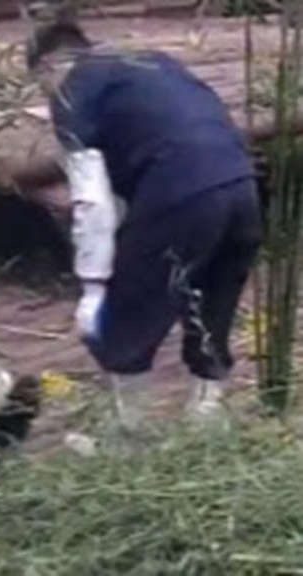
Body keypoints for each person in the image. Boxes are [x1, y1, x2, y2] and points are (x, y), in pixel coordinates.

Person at [26, 20, 261, 433]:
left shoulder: (71, 89)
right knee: (212, 307)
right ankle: (206, 423)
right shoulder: (153, 62)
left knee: (126, 314)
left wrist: (94, 287)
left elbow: (91, 199)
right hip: (242, 185)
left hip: (181, 188)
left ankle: (128, 435)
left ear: (47, 67)